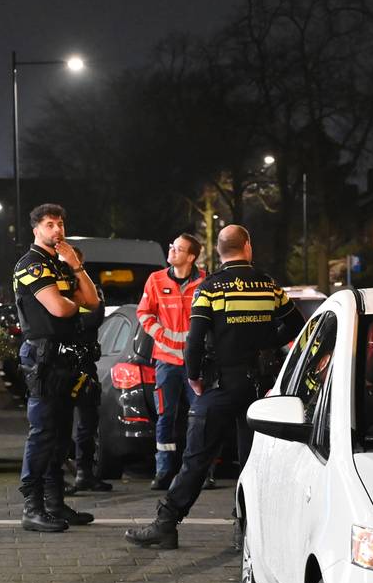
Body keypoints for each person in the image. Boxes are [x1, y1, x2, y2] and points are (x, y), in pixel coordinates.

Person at [124, 225, 305, 550]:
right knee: (253, 462)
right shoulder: (268, 286)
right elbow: (296, 326)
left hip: (220, 385)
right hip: (259, 389)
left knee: (196, 458)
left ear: (220, 251)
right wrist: (266, 344)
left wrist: (194, 375)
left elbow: (194, 340)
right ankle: (247, 531)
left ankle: (166, 525)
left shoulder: (209, 288)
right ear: (247, 247)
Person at [12, 203, 101, 533]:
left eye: (60, 223)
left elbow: (92, 301)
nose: (57, 230)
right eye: (50, 224)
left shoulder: (61, 265)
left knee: (62, 434)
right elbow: (60, 308)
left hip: (66, 358)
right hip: (43, 358)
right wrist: (75, 302)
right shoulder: (32, 265)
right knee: (43, 433)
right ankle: (32, 507)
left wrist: (76, 267)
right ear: (36, 229)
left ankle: (55, 503)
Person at [137, 234, 207, 490]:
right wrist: (159, 333)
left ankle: (200, 472)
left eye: (178, 249)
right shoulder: (156, 280)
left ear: (191, 257)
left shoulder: (204, 281)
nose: (172, 251)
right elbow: (144, 312)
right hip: (166, 361)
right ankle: (164, 471)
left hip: (195, 364)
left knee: (199, 418)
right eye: (171, 247)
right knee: (165, 416)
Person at [62, 246, 113, 494]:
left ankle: (84, 473)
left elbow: (93, 315)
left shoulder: (89, 288)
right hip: (60, 363)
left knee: (88, 420)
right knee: (58, 421)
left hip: (83, 364)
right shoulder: (53, 286)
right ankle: (57, 475)